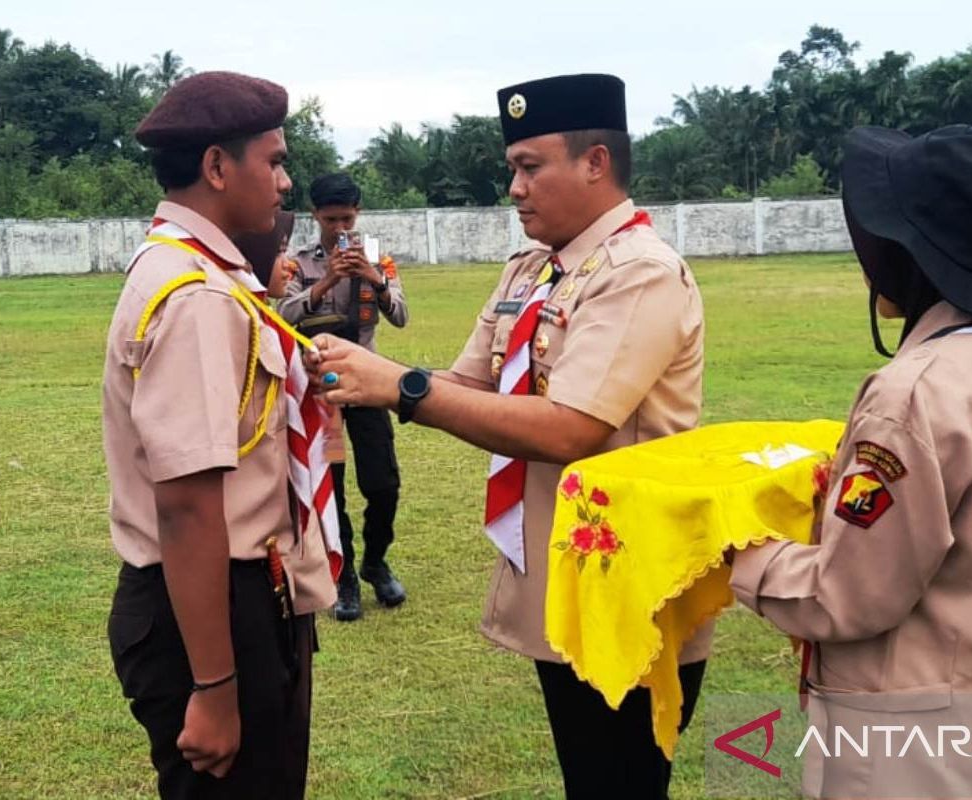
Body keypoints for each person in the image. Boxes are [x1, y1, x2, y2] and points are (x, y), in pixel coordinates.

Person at [311, 73, 714, 799]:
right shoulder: (534, 270)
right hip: (563, 565)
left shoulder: (639, 274)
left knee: (621, 780)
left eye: (531, 167)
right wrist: (369, 371)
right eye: (512, 171)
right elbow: (470, 383)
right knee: (586, 773)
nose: (516, 189)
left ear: (595, 162)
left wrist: (400, 389)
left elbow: (571, 428)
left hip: (628, 582)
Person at [728, 125, 972, 798]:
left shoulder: (913, 395)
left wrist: (732, 553)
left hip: (910, 754)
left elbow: (846, 595)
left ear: (909, 253)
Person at [102, 71, 334, 800]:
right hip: (210, 610)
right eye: (273, 160)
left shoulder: (193, 268)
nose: (286, 180)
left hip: (231, 592)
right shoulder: (198, 296)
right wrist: (216, 685)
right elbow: (189, 504)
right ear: (215, 167)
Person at [279, 173, 408, 621]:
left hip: (368, 383)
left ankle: (376, 561)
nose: (339, 228)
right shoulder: (298, 264)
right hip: (323, 391)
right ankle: (346, 576)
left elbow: (401, 317)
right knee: (331, 486)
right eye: (330, 219)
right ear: (315, 215)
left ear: (359, 213)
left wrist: (373, 277)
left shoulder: (378, 258)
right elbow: (282, 316)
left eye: (346, 218)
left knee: (383, 484)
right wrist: (325, 281)